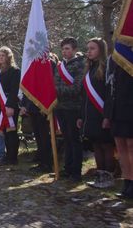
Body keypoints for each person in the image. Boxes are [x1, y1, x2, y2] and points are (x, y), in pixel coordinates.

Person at [78, 38, 115, 188]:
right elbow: (84, 96)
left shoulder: (106, 67)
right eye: (88, 48)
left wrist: (107, 116)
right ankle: (100, 176)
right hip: (90, 115)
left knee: (106, 146)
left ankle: (108, 177)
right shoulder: (89, 68)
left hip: (102, 113)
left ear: (101, 50)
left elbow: (110, 94)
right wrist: (81, 116)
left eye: (92, 48)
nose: (89, 51)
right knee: (96, 145)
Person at [54, 37, 85, 181]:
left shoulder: (80, 65)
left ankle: (76, 172)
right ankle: (67, 168)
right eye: (63, 49)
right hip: (61, 107)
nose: (64, 51)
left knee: (74, 140)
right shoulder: (60, 65)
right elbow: (55, 81)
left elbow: (76, 88)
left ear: (74, 50)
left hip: (73, 107)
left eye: (67, 49)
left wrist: (55, 91)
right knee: (66, 139)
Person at [106, 54, 133, 199]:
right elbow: (110, 89)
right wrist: (108, 114)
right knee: (121, 149)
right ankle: (127, 182)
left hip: (130, 110)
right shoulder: (114, 60)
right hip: (117, 111)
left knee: (131, 147)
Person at [0, 47, 21, 165]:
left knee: (11, 131)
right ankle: (7, 155)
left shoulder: (15, 71)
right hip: (0, 105)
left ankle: (13, 157)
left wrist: (10, 106)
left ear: (8, 57)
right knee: (4, 131)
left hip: (10, 105)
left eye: (3, 55)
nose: (1, 58)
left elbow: (14, 90)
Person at [20, 95, 52, 172]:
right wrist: (24, 105)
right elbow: (27, 89)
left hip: (42, 108)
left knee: (44, 138)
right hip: (32, 108)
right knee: (38, 137)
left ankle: (47, 164)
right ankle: (41, 162)